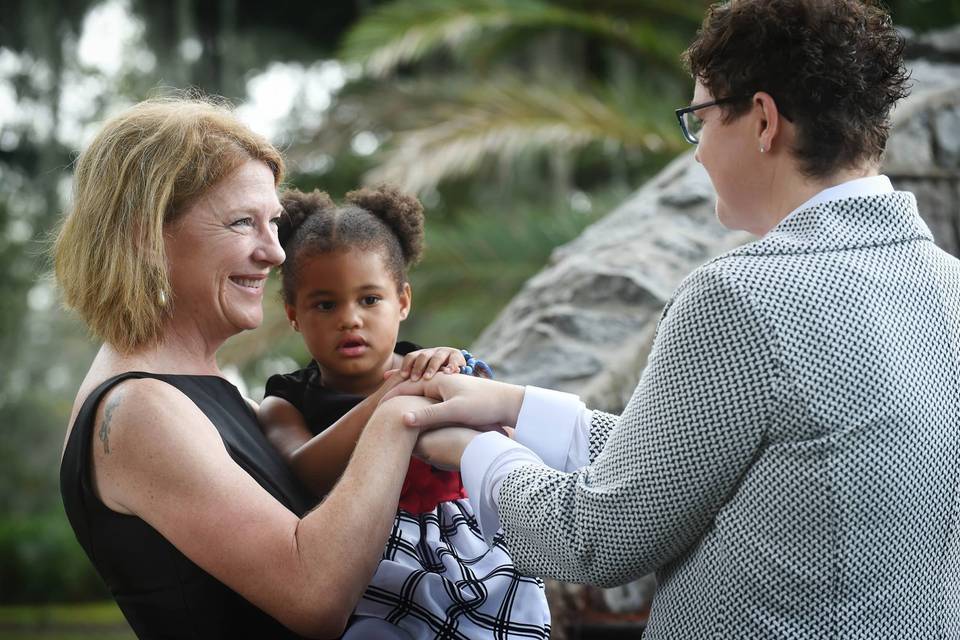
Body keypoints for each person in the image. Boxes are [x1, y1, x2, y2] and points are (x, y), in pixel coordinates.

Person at [385, 0, 960, 637]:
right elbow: (706, 460)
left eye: (701, 119)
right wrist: (518, 408)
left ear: (764, 121)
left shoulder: (739, 295)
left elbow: (599, 541)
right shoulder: (950, 287)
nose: (697, 153)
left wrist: (476, 452)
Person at [54, 97, 437, 639]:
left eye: (273, 223)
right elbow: (314, 595)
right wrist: (400, 411)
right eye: (242, 223)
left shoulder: (204, 388)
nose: (276, 254)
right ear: (146, 237)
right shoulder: (140, 409)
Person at [258, 186, 551, 639]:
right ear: (294, 314)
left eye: (369, 299)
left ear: (403, 301)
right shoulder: (286, 402)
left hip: (470, 556)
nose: (350, 319)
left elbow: (507, 448)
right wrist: (388, 401)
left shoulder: (438, 369)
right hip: (367, 562)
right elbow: (302, 472)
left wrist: (463, 383)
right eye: (325, 304)